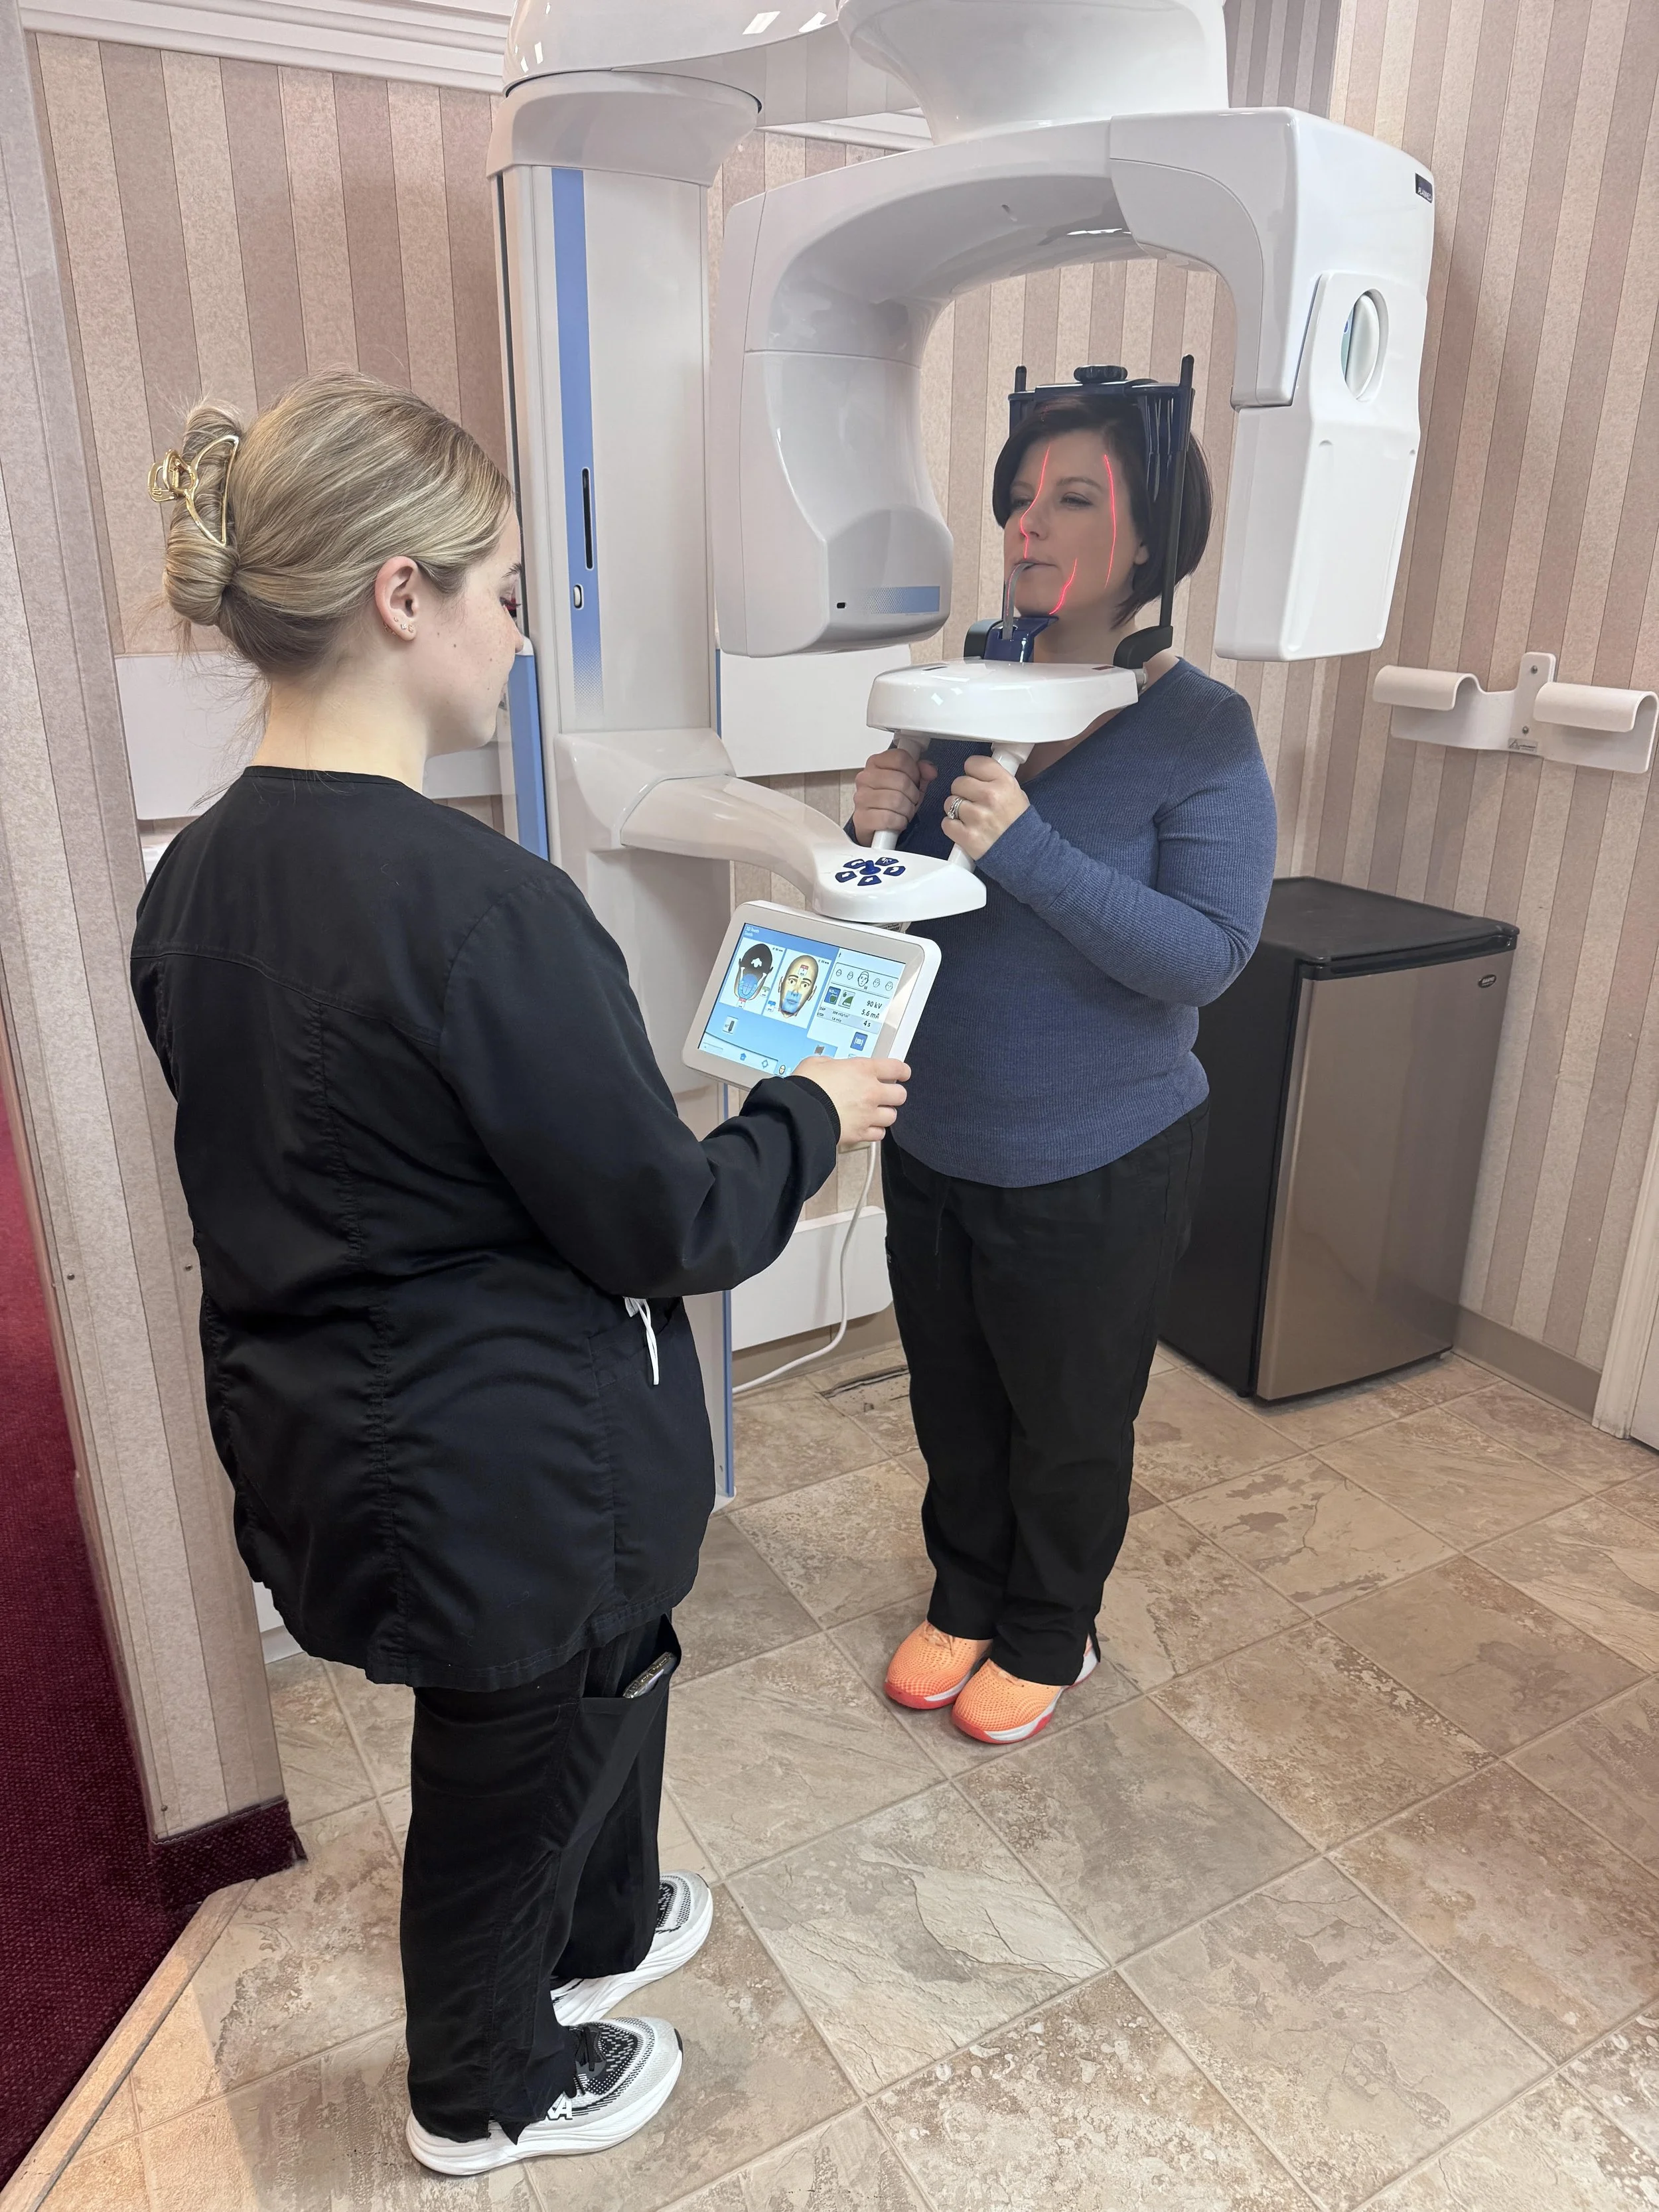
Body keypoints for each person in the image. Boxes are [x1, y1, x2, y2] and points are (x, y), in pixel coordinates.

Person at [132, 374, 906, 2177]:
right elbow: (667, 1225)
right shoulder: (479, 904)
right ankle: (480, 2080)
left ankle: (606, 1918)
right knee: (508, 1762)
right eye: (498, 584)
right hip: (485, 1462)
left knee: (604, 1672)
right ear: (400, 596)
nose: (518, 624)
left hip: (346, 1426)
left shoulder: (199, 882)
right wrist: (807, 1109)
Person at [853, 386, 1277, 1746]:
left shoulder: (1201, 730)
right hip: (936, 1134)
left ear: (1153, 545)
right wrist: (871, 829)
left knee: (1068, 1417)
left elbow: (1205, 956)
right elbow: (912, 903)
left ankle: (1051, 1626)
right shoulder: (965, 685)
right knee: (953, 1395)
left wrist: (1023, 846)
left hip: (1098, 1155)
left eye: (1074, 499)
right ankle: (966, 1593)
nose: (1027, 527)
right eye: (1019, 498)